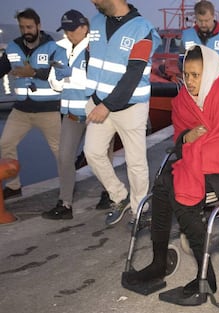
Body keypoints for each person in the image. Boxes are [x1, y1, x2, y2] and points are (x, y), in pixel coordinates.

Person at [123, 45, 219, 301]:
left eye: (196, 75)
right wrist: (186, 138)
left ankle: (207, 278)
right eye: (186, 75)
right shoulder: (183, 102)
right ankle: (158, 263)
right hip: (201, 164)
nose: (190, 82)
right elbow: (183, 141)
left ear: (211, 73)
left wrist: (195, 147)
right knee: (164, 183)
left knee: (176, 185)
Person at [83, 0, 161, 226]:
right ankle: (119, 195)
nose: (93, 2)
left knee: (135, 162)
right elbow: (91, 57)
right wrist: (92, 97)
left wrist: (107, 105)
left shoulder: (142, 29)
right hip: (98, 102)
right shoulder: (96, 22)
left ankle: (140, 208)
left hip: (130, 107)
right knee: (93, 153)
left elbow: (134, 72)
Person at [41, 10, 111, 219]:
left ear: (84, 27)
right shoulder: (60, 49)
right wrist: (62, 77)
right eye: (65, 30)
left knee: (100, 156)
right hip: (70, 113)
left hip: (94, 112)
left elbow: (96, 80)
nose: (69, 34)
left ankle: (109, 193)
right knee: (64, 156)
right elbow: (54, 83)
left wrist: (72, 74)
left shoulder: (95, 48)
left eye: (72, 30)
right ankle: (65, 204)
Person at [0, 8, 61, 200]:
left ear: (38, 26)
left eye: (29, 26)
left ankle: (67, 186)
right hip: (21, 110)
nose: (26, 30)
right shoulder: (12, 47)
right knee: (6, 143)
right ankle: (13, 185)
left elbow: (59, 74)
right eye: (22, 27)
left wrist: (33, 72)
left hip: (48, 109)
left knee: (59, 150)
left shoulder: (53, 47)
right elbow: (2, 68)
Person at [181, 0, 219, 68]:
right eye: (200, 20)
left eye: (206, 20)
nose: (203, 24)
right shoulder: (187, 35)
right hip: (195, 77)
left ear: (213, 16)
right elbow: (181, 62)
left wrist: (211, 65)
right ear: (195, 17)